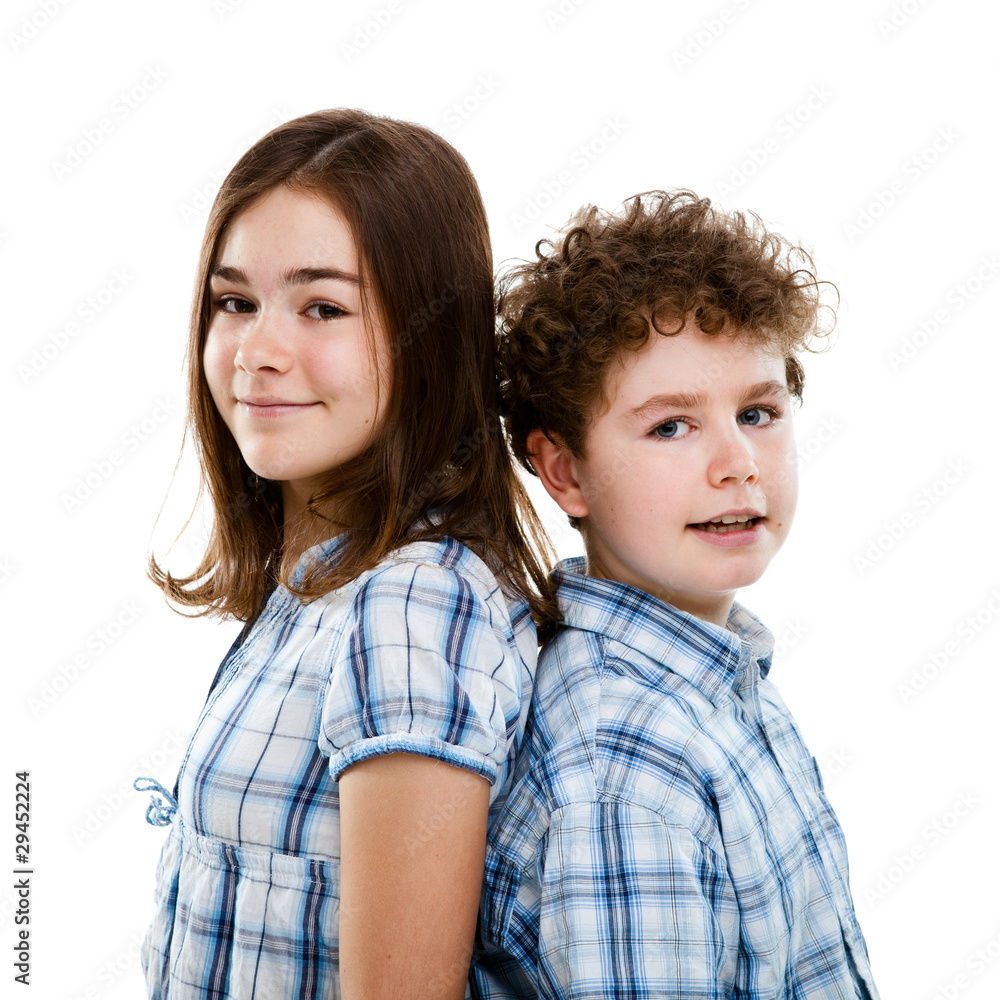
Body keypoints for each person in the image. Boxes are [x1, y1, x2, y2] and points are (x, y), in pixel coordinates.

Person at [134, 108, 556, 1000]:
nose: (257, 351)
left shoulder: (410, 605)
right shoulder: (321, 587)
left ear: (429, 339)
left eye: (322, 307)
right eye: (235, 302)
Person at [470, 191, 881, 998]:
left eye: (757, 412)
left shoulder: (720, 683)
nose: (738, 462)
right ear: (564, 470)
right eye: (671, 427)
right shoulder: (625, 768)